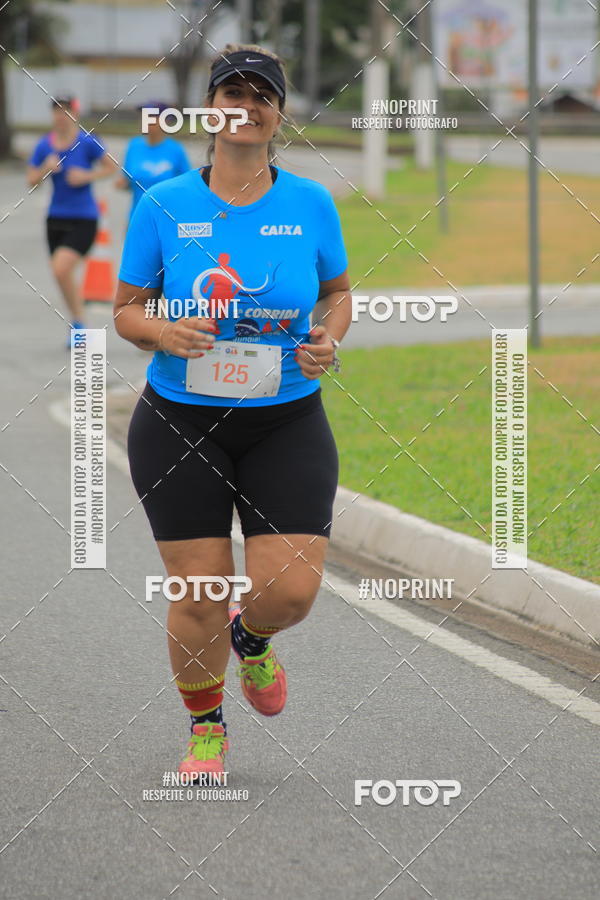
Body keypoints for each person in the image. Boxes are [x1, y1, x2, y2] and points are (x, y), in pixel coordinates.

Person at [114, 44, 351, 777]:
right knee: (199, 596)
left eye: (261, 95)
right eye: (230, 93)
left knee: (292, 591)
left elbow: (337, 294)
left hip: (286, 419)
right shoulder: (165, 204)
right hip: (180, 422)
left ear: (279, 114)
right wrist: (164, 330)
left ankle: (252, 639)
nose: (244, 106)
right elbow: (125, 309)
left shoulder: (311, 203)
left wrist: (326, 338)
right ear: (209, 108)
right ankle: (206, 731)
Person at [27, 96, 117, 342]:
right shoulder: (45, 145)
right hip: (55, 218)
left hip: (84, 218)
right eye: (56, 111)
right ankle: (77, 321)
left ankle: (79, 324)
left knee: (61, 267)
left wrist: (87, 175)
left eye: (65, 111)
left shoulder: (87, 142)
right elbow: (30, 180)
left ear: (74, 114)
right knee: (61, 273)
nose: (60, 116)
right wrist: (45, 168)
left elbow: (112, 167)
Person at [115, 102, 190, 221]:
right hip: (138, 217)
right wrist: (122, 183)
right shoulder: (134, 146)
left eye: (151, 117)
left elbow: (187, 185)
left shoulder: (175, 149)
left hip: (167, 219)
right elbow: (127, 179)